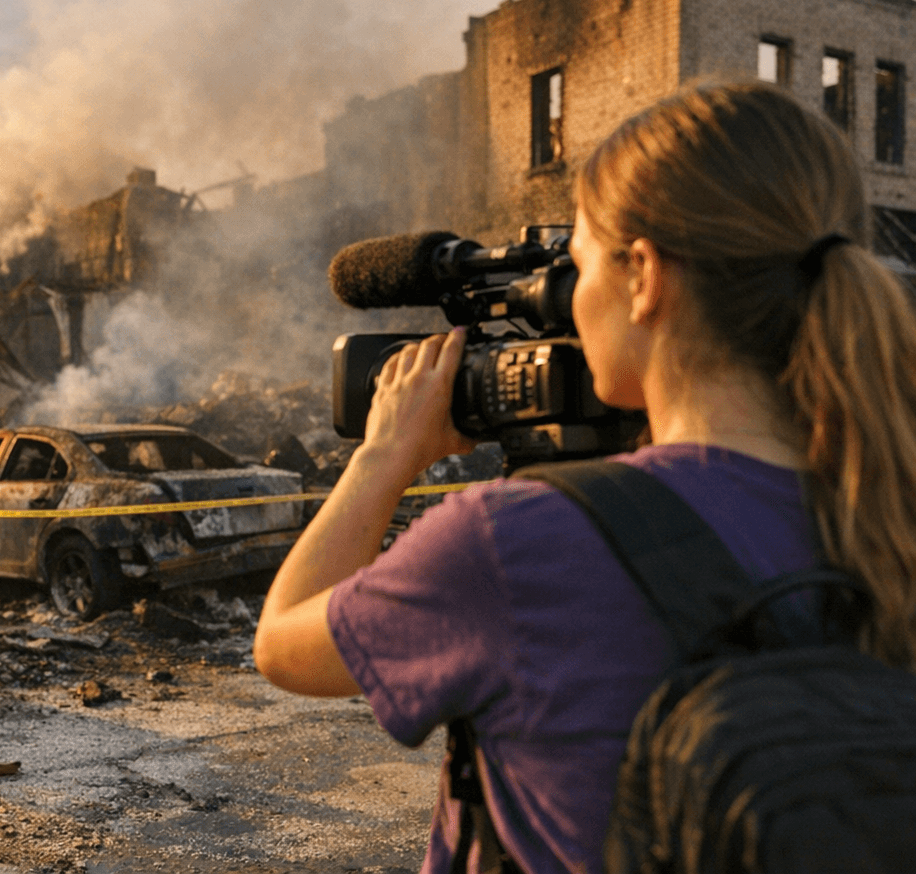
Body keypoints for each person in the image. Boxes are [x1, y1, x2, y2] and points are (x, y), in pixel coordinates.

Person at [253, 80, 916, 873]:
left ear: (644, 277)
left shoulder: (519, 542)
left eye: (575, 266)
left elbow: (283, 645)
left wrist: (383, 453)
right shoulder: (886, 508)